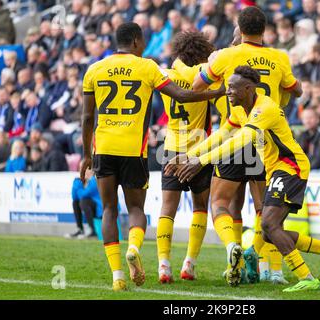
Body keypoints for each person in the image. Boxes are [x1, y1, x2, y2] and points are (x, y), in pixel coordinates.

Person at [166, 66, 320, 292]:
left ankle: (308, 277)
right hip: (276, 170)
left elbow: (241, 141)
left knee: (269, 225)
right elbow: (222, 135)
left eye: (232, 88)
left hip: (290, 167)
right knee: (272, 233)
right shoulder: (240, 109)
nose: (227, 92)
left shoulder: (265, 109)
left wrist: (203, 161)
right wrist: (189, 155)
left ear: (248, 88)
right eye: (228, 87)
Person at [80, 22, 224, 292]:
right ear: (136, 41)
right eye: (143, 40)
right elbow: (182, 94)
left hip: (104, 147)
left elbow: (88, 116)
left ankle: (118, 276)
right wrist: (217, 92)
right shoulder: (147, 67)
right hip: (136, 149)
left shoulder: (94, 69)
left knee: (110, 209)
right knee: (136, 209)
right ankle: (134, 247)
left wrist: (86, 155)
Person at [190, 6, 303, 286]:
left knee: (222, 203)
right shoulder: (279, 57)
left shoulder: (227, 56)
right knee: (267, 209)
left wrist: (214, 70)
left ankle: (234, 253)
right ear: (265, 30)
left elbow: (195, 88)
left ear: (238, 29)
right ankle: (272, 269)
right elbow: (297, 90)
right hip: (267, 140)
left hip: (236, 133)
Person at [156, 31, 215, 283]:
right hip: (198, 151)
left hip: (171, 147)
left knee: (167, 209)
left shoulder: (166, 75)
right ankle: (189, 263)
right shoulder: (204, 76)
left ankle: (163, 265)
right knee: (200, 207)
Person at [68, 167, 102, 239]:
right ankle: (80, 229)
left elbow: (83, 195)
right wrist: (76, 182)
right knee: (75, 203)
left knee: (84, 201)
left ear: (92, 172)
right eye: (83, 169)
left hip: (101, 209)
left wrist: (77, 187)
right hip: (92, 206)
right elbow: (74, 197)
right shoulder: (82, 182)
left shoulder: (94, 180)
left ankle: (93, 231)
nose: (84, 172)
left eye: (87, 170)